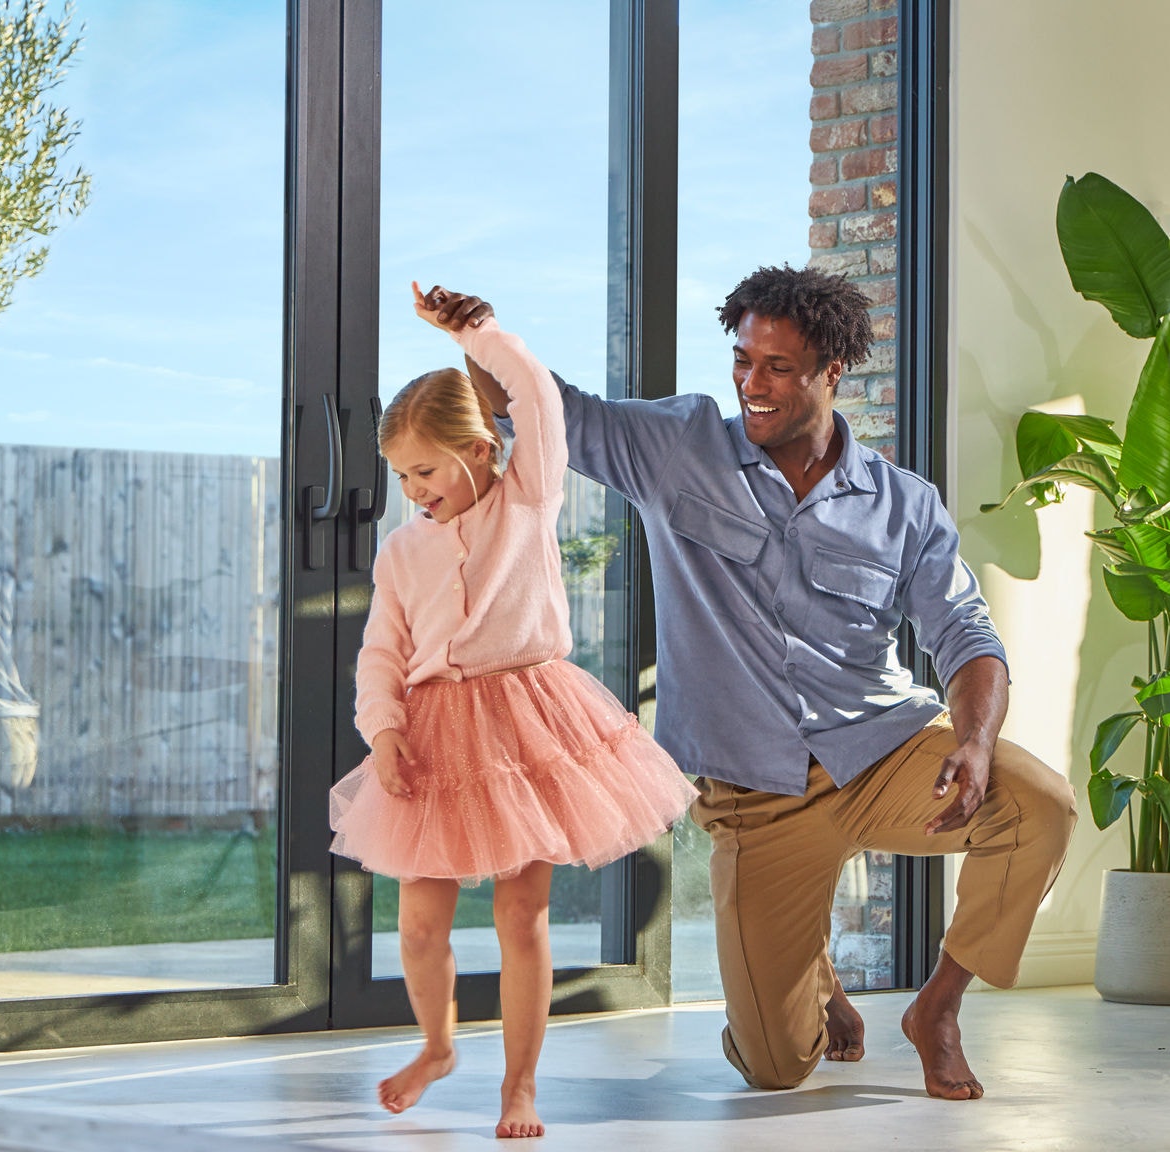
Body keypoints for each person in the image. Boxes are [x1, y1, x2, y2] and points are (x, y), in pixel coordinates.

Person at [451, 266, 1077, 1102]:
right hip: (755, 794)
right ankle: (814, 979)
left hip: (882, 753)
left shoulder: (903, 505)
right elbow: (538, 410)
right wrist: (479, 335)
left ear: (830, 373)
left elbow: (965, 634)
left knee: (1040, 807)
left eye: (779, 368)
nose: (752, 384)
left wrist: (974, 739)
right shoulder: (680, 448)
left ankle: (937, 1010)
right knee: (778, 1070)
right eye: (743, 362)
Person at [329, 283, 697, 1139]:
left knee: (519, 914)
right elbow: (381, 653)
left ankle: (519, 1086)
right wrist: (382, 732)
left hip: (531, 721)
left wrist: (479, 333)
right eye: (401, 477)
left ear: (476, 451)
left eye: (424, 471)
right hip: (431, 737)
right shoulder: (401, 553)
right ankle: (436, 1046)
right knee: (420, 926)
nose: (413, 490)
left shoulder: (527, 501)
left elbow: (534, 397)